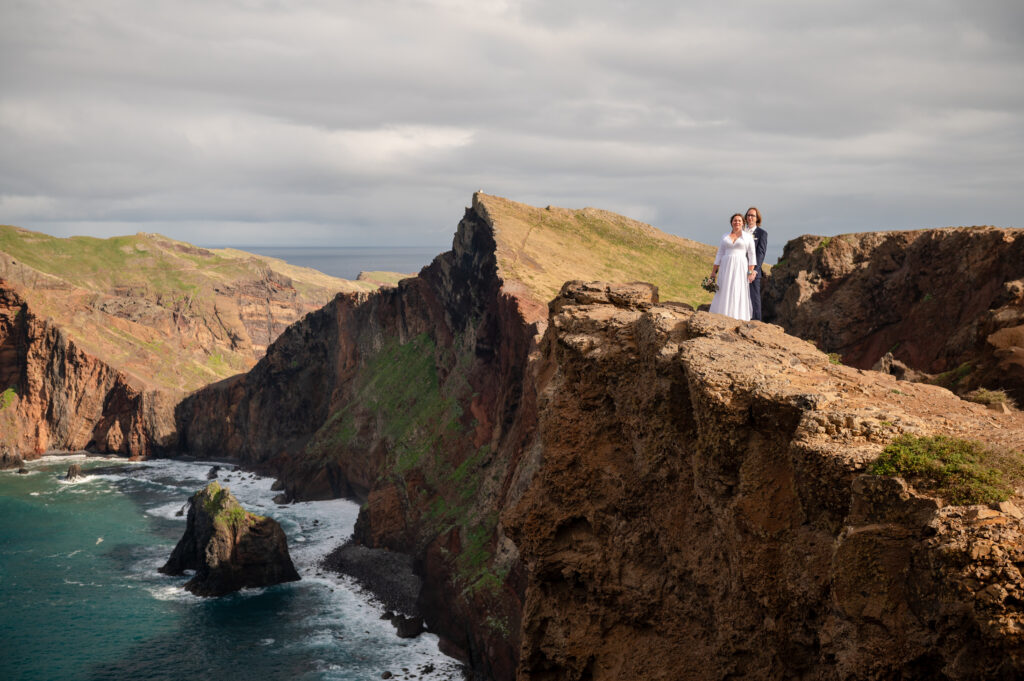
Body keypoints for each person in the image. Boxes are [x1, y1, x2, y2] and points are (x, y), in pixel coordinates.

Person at [708, 213, 757, 320]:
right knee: (724, 287)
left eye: (739, 220)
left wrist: (750, 272)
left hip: (740, 266)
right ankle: (721, 313)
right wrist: (713, 272)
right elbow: (720, 253)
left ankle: (736, 316)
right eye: (735, 220)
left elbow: (752, 256)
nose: (737, 222)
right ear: (731, 222)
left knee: (737, 287)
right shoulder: (725, 236)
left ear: (743, 223)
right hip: (726, 265)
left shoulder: (748, 237)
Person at [744, 206, 767, 320]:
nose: (750, 217)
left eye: (752, 215)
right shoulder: (741, 232)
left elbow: (761, 254)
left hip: (753, 271)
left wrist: (755, 271)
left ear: (757, 218)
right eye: (748, 215)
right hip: (740, 268)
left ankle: (757, 321)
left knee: (754, 297)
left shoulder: (762, 233)